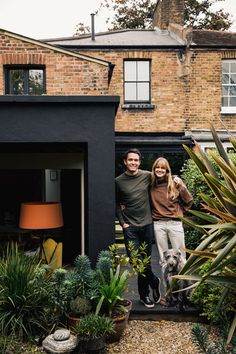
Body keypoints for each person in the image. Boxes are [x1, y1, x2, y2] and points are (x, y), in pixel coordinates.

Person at [115, 148, 161, 308]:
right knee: (135, 261)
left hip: (147, 225)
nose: (133, 162)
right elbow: (115, 203)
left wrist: (176, 180)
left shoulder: (147, 176)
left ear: (139, 162)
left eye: (136, 160)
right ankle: (155, 282)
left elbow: (163, 177)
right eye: (130, 160)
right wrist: (123, 223)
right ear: (125, 162)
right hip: (131, 227)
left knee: (146, 262)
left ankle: (144, 296)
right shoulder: (118, 181)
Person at [150, 157, 193, 302]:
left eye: (163, 168)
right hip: (159, 224)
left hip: (175, 224)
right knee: (164, 261)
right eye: (157, 168)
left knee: (181, 259)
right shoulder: (151, 184)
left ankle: (187, 293)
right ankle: (168, 295)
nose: (160, 170)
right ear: (154, 169)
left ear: (167, 170)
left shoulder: (175, 183)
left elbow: (189, 201)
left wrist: (180, 212)